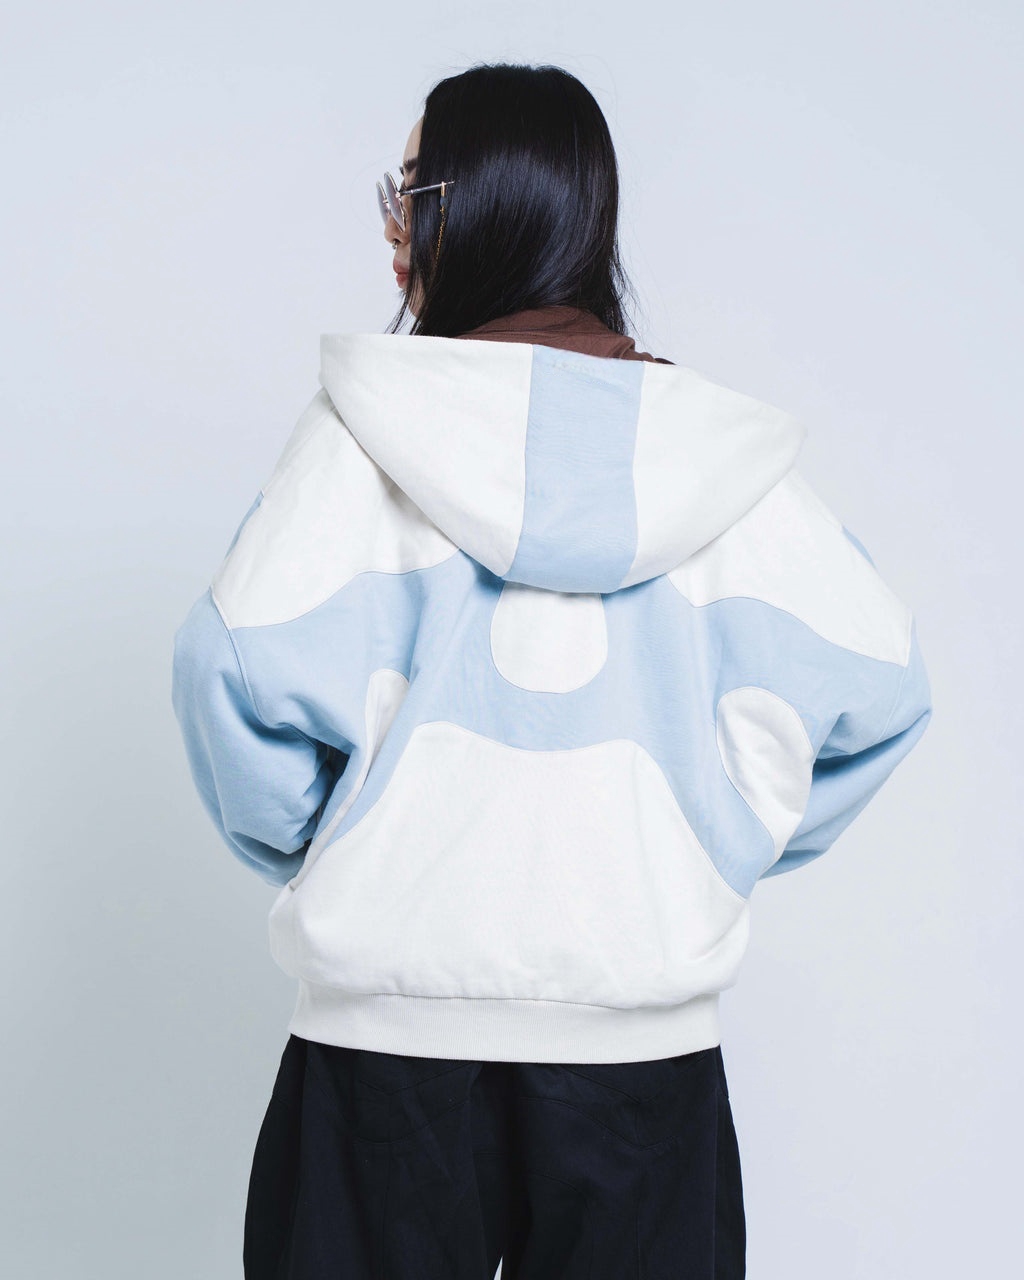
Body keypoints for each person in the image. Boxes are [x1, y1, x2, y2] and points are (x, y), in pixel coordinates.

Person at [170, 61, 932, 1280]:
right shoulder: (714, 454)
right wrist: (713, 834)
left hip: (382, 1052)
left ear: (480, 209)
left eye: (410, 189)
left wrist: (328, 835)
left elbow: (227, 664)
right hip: (642, 1064)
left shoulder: (356, 437)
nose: (389, 225)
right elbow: (881, 683)